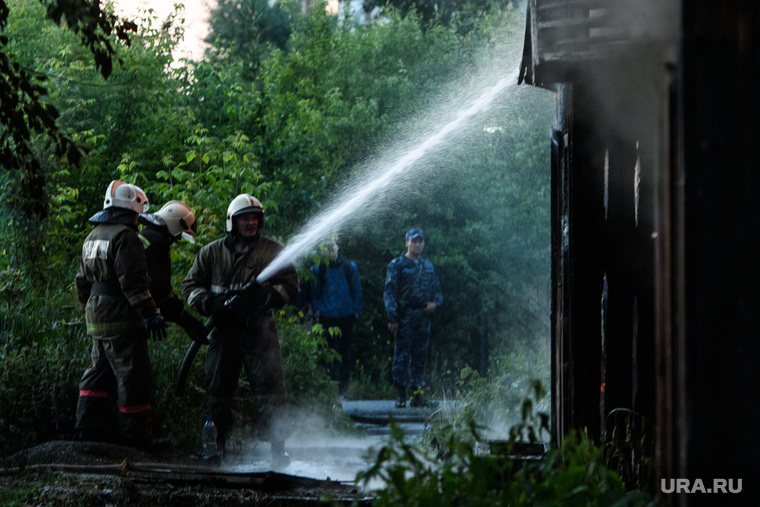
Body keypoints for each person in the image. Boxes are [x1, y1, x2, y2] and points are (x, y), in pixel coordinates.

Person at [181, 193, 298, 467]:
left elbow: (291, 286)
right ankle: (215, 447)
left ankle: (277, 451)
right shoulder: (211, 252)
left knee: (271, 390)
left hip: (260, 332)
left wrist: (266, 297)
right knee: (218, 389)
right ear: (232, 222)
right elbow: (190, 287)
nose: (251, 223)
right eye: (245, 218)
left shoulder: (273, 251)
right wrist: (210, 303)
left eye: (255, 218)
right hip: (223, 332)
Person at [74, 180, 168, 448]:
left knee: (98, 372)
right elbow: (134, 283)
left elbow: (82, 281)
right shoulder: (126, 238)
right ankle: (136, 437)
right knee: (133, 375)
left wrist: (90, 310)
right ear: (133, 208)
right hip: (122, 317)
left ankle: (88, 429)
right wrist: (151, 313)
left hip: (96, 315)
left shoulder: (93, 236)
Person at [383, 228, 443, 408]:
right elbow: (390, 293)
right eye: (414, 241)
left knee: (420, 356)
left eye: (420, 241)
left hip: (423, 316)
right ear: (406, 243)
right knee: (402, 354)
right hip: (404, 315)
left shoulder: (428, 266)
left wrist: (435, 304)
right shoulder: (397, 265)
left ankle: (417, 395)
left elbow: (437, 291)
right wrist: (393, 318)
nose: (417, 244)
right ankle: (401, 394)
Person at [139, 201, 208, 346]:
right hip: (129, 317)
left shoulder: (144, 235)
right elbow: (161, 291)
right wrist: (186, 319)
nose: (177, 239)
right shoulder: (158, 242)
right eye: (180, 234)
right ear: (176, 224)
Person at [308, 240, 363, 397]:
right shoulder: (319, 270)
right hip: (326, 318)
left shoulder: (349, 268)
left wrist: (355, 312)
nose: (330, 249)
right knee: (323, 355)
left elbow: (357, 292)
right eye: (326, 247)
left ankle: (343, 390)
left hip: (346, 317)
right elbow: (315, 293)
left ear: (338, 247)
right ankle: (324, 390)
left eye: (333, 246)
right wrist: (319, 311)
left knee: (345, 354)